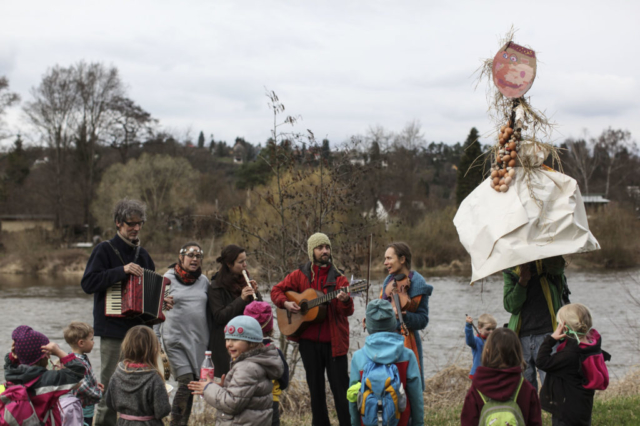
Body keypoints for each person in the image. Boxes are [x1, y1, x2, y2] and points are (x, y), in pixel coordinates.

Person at [81, 199, 173, 426]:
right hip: (113, 330)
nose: (136, 228)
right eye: (131, 223)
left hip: (141, 334)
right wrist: (121, 270)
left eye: (140, 223)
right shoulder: (104, 250)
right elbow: (88, 283)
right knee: (109, 387)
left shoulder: (143, 255)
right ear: (118, 223)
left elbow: (149, 292)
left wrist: (161, 302)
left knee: (146, 385)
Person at [271, 232, 354, 426]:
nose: (325, 251)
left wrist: (345, 300)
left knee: (341, 391)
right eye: (320, 248)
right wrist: (286, 303)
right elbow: (276, 290)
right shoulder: (300, 275)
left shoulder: (339, 279)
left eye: (327, 247)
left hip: (335, 344)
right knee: (316, 392)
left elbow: (348, 311)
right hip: (308, 344)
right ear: (311, 251)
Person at [188, 316, 285, 426]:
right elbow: (244, 395)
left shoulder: (247, 368)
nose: (228, 344)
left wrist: (208, 388)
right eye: (227, 339)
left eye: (235, 340)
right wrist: (223, 388)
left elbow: (231, 404)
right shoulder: (257, 362)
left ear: (251, 342)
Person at [154, 242, 209, 426]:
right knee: (186, 382)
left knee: (192, 384)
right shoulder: (167, 279)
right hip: (175, 341)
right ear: (181, 257)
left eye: (198, 256)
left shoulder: (204, 281)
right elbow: (157, 310)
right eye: (190, 255)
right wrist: (156, 339)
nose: (194, 259)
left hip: (198, 341)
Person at [348, 299, 424, 426]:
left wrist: (355, 423)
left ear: (365, 323)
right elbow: (416, 397)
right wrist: (418, 423)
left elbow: (353, 398)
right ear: (394, 323)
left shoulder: (358, 357)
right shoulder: (408, 355)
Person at [536, 303, 610, 426]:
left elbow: (541, 362)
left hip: (566, 412)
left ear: (564, 328)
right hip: (583, 407)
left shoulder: (569, 355)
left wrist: (551, 339)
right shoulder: (592, 346)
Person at [503, 255, 569, 390]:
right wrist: (522, 281)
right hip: (521, 336)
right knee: (525, 389)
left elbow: (558, 267)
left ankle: (551, 404)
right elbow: (510, 306)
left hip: (550, 334)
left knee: (552, 386)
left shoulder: (550, 259)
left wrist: (540, 261)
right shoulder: (511, 268)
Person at [4, 325, 85, 426]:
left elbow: (8, 365)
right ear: (45, 355)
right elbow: (78, 372)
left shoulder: (12, 375)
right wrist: (58, 352)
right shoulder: (48, 380)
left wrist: (13, 356)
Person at [460, 327, 542, 426]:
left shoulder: (477, 388)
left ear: (487, 351)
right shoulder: (526, 388)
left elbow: (467, 422)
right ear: (518, 353)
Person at [380, 242, 433, 390]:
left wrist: (405, 316)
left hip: (407, 342)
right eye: (385, 259)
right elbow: (383, 306)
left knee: (409, 387)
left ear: (402, 259)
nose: (385, 263)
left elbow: (423, 320)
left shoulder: (417, 282)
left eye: (389, 258)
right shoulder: (388, 281)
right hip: (385, 340)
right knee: (386, 387)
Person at [207, 244, 259, 378]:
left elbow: (259, 313)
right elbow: (220, 316)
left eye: (245, 261)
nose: (245, 265)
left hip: (246, 342)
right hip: (224, 346)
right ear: (229, 264)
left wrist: (256, 294)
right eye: (241, 262)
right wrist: (241, 299)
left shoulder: (245, 281)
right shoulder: (215, 287)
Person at [104, 325, 171, 426]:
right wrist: (165, 396)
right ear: (153, 350)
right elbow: (162, 411)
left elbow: (109, 403)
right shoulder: (154, 378)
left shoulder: (117, 373)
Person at [244, 301, 290, 426]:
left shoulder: (240, 352)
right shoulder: (275, 352)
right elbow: (284, 381)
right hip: (270, 403)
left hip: (245, 404)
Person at [62, 322, 103, 426]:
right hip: (82, 408)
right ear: (81, 343)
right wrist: (98, 393)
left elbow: (85, 379)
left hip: (78, 406)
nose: (93, 342)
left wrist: (94, 384)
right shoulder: (78, 363)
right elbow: (82, 386)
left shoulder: (72, 359)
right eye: (91, 339)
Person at [465, 314, 497, 379]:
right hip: (478, 375)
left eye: (493, 329)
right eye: (488, 329)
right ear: (480, 328)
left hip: (491, 374)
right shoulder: (476, 341)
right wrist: (468, 326)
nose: (491, 332)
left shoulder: (495, 341)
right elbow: (469, 340)